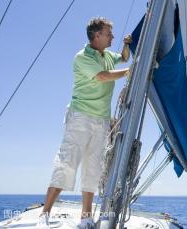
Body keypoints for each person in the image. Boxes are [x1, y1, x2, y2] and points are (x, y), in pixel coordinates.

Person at [37, 17, 131, 228]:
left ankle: (86, 218)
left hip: (101, 121)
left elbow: (124, 58)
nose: (112, 37)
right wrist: (128, 73)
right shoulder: (83, 58)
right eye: (109, 34)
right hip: (80, 118)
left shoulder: (106, 55)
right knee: (67, 164)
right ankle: (44, 215)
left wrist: (126, 45)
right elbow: (102, 77)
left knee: (92, 169)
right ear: (96, 35)